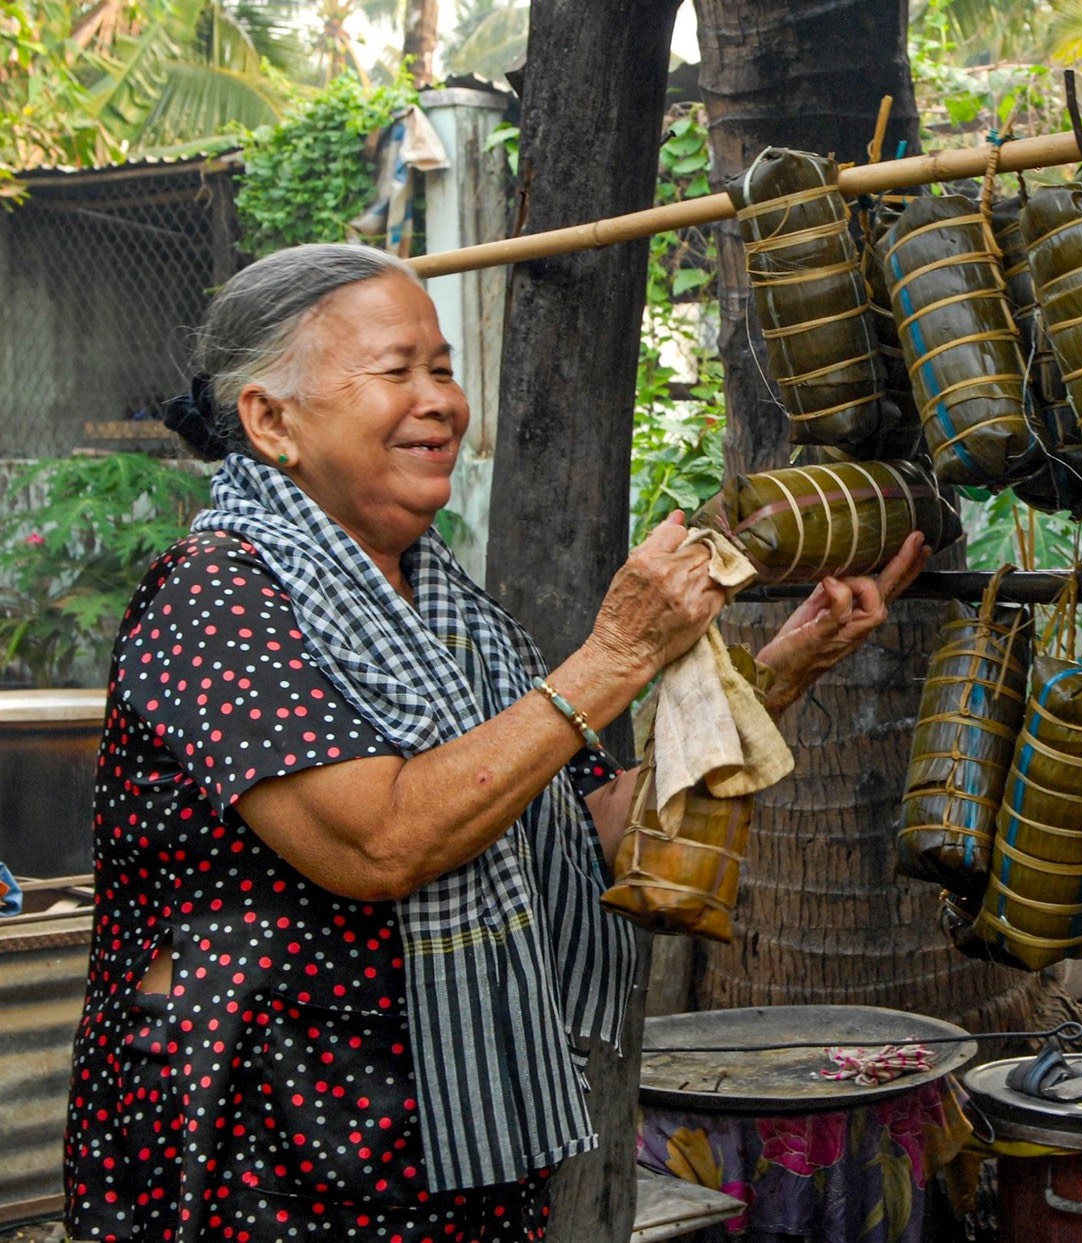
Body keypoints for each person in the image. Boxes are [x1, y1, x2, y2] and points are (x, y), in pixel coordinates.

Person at [65, 243, 929, 1242]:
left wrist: (786, 664)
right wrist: (613, 657)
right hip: (277, 1147)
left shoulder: (450, 617)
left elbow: (600, 825)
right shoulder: (216, 599)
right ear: (270, 420)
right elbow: (379, 841)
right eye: (398, 371)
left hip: (449, 1138)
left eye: (443, 367)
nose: (438, 399)